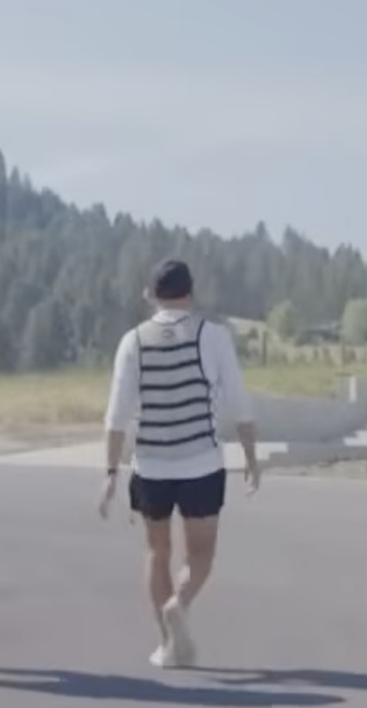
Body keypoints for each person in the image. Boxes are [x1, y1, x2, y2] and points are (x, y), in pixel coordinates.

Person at [99, 258, 260, 668]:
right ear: (191, 293)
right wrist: (251, 457)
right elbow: (239, 403)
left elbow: (117, 416)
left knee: (157, 551)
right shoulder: (214, 336)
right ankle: (180, 603)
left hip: (151, 465)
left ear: (152, 296)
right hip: (201, 463)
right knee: (201, 556)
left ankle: (170, 645)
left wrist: (110, 474)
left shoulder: (132, 342)